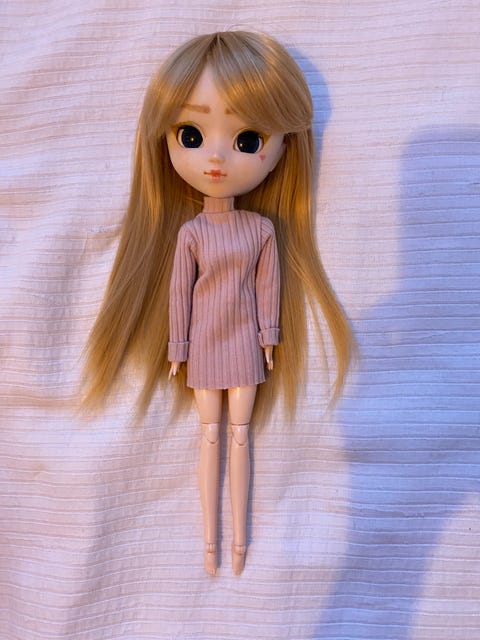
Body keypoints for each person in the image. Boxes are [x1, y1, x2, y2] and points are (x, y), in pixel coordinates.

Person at [83, 31, 354, 576]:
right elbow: (178, 293)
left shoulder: (260, 231)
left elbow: (268, 289)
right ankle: (211, 542)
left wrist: (270, 338)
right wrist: (178, 347)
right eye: (190, 134)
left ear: (283, 151)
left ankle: (238, 543)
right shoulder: (190, 233)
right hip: (204, 346)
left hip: (247, 346)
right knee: (211, 435)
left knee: (239, 435)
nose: (215, 157)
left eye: (248, 139)